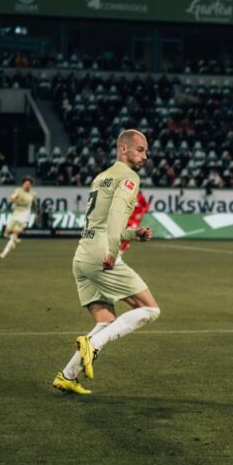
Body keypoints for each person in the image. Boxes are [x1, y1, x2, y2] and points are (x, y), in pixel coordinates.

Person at [53, 129, 158, 395]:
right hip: (101, 254)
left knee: (106, 321)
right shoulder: (128, 177)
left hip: (83, 253)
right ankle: (93, 345)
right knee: (150, 309)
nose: (145, 155)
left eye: (146, 150)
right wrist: (112, 251)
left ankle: (68, 375)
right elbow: (114, 219)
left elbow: (101, 222)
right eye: (140, 149)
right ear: (123, 149)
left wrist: (134, 234)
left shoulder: (101, 177)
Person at [0, 177, 37, 259]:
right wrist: (18, 201)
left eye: (29, 184)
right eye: (26, 184)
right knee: (6, 233)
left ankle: (4, 253)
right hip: (16, 213)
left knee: (15, 233)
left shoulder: (33, 194)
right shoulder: (18, 191)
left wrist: (36, 212)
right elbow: (10, 200)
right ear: (23, 184)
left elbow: (34, 204)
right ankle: (14, 239)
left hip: (25, 215)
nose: (27, 185)